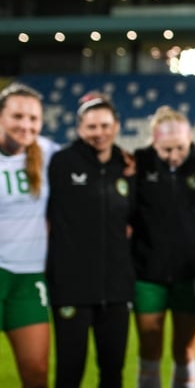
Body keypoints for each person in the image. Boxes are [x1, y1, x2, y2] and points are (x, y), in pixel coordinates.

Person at [46, 92, 136, 388]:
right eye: (92, 126)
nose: (99, 133)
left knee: (113, 374)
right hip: (71, 289)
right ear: (79, 128)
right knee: (69, 374)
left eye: (105, 125)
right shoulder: (60, 163)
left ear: (117, 126)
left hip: (116, 291)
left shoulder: (125, 167)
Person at [130, 105, 195, 388]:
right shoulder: (139, 163)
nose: (174, 156)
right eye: (166, 150)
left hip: (190, 274)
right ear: (154, 141)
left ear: (190, 138)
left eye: (180, 147)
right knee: (149, 350)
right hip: (147, 274)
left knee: (185, 351)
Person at [0, 83, 58, 388]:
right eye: (17, 116)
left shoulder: (48, 152)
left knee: (36, 372)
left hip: (29, 277)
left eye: (33, 118)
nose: (26, 125)